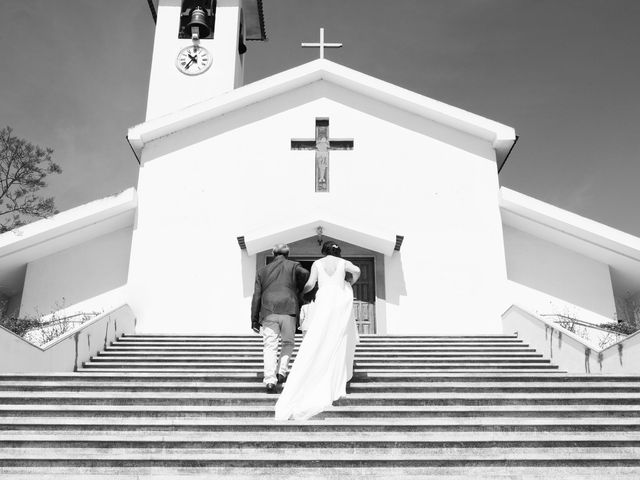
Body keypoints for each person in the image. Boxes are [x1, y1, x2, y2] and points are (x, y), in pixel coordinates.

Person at [275, 241, 361, 420]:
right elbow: (358, 270)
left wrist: (301, 294)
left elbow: (311, 283)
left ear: (324, 251)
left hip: (324, 299)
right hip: (338, 299)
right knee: (338, 335)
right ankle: (335, 375)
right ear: (337, 252)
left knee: (320, 334)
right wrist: (350, 282)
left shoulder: (317, 263)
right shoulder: (343, 262)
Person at [251, 244, 309, 394]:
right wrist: (298, 289)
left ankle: (270, 380)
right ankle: (281, 372)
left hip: (268, 309)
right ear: (288, 253)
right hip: (289, 307)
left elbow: (256, 295)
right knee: (288, 342)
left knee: (270, 345)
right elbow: (305, 273)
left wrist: (254, 318)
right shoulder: (294, 265)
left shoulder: (261, 271)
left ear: (273, 253)